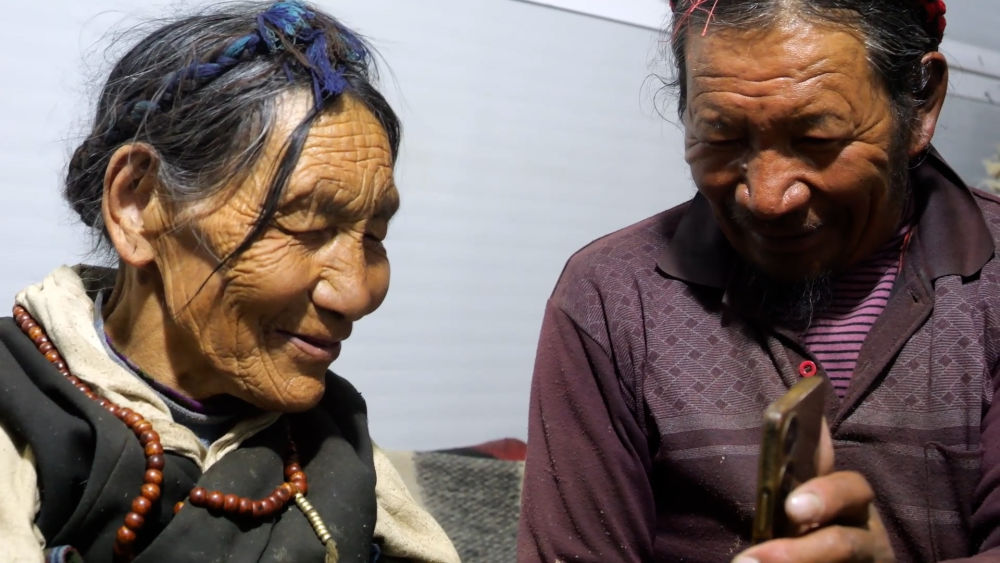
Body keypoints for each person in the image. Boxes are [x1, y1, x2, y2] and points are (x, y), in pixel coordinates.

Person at [518, 0, 1000, 561]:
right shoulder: (611, 298)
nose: (767, 197)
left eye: (817, 138)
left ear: (921, 104)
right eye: (722, 136)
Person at [0, 2, 460, 562]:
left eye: (374, 236)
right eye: (306, 224)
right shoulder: (19, 414)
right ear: (139, 203)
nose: (356, 293)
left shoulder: (337, 451)